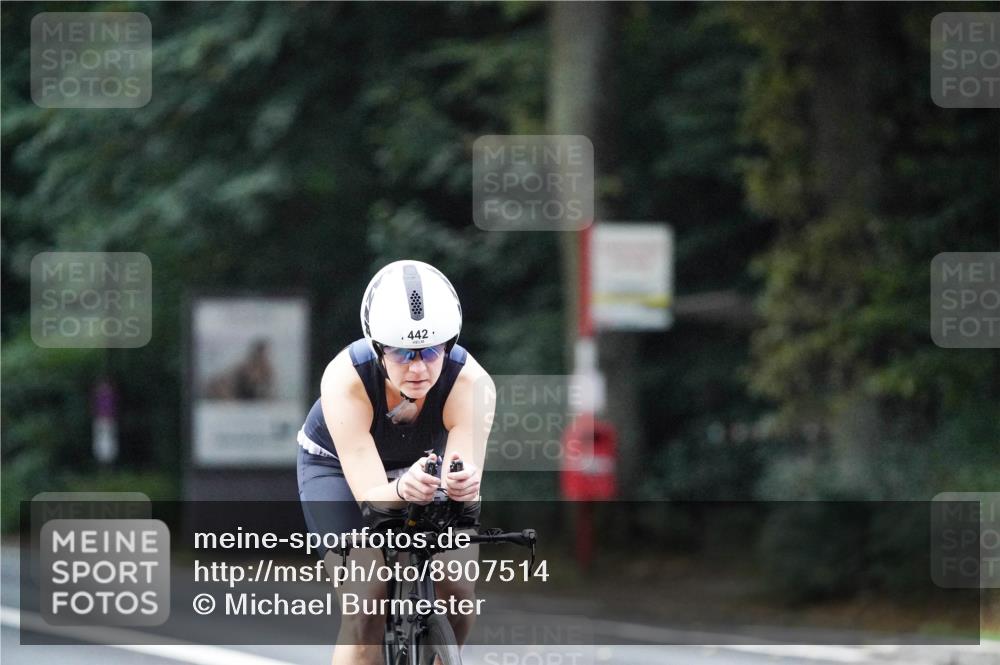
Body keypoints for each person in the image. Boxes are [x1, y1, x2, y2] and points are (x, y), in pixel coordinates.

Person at [296, 260, 494, 665]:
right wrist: (403, 489)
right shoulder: (345, 379)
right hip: (337, 468)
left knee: (458, 589)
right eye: (403, 353)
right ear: (376, 347)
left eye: (432, 350)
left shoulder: (472, 384)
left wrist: (460, 485)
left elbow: (461, 470)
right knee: (367, 596)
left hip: (428, 465)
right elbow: (371, 496)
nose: (418, 367)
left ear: (450, 344)